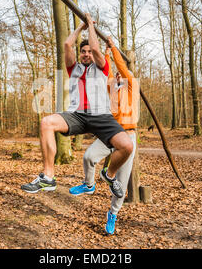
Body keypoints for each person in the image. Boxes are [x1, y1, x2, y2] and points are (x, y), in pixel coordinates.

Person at [21, 14, 134, 199]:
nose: (87, 54)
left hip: (101, 116)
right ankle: (48, 176)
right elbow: (67, 45)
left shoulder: (102, 67)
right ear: (80, 54)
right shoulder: (73, 68)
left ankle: (109, 174)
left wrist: (90, 25)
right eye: (83, 51)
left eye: (89, 51)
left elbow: (97, 48)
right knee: (46, 123)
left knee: (127, 146)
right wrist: (81, 26)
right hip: (77, 115)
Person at [69, 36, 139, 235]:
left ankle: (112, 214)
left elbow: (122, 68)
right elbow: (105, 67)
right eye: (117, 74)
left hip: (128, 135)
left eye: (122, 74)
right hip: (111, 132)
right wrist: (105, 53)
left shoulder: (131, 85)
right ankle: (89, 184)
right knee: (89, 157)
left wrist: (113, 47)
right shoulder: (110, 87)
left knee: (121, 183)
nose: (119, 75)